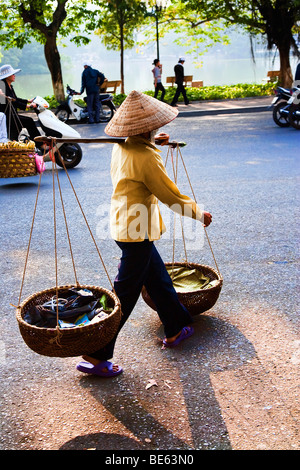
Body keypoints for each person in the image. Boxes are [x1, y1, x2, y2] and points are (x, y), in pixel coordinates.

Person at [76, 91, 212, 378]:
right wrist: (199, 214)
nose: (156, 132)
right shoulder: (146, 157)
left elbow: (140, 153)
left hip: (127, 227)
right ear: (146, 129)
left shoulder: (122, 147)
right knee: (124, 296)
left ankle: (176, 327)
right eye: (153, 129)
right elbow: (170, 196)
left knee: (158, 279)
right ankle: (96, 355)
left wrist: (155, 143)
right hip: (136, 233)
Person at [0, 64, 40, 141]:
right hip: (7, 115)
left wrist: (28, 101)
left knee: (18, 127)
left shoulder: (10, 86)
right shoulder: (2, 86)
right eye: (12, 74)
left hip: (13, 114)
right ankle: (40, 144)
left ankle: (14, 142)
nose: (14, 75)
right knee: (29, 121)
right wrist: (28, 106)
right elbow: (12, 101)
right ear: (7, 76)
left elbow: (15, 99)